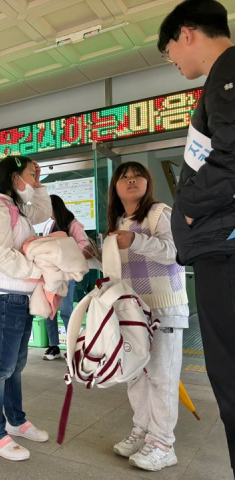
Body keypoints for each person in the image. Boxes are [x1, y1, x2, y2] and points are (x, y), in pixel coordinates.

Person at [158, 1, 235, 472]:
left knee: (229, 378)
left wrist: (186, 209)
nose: (173, 63)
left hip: (224, 251)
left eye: (169, 51)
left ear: (187, 34)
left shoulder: (226, 74)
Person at [102, 162, 188, 472]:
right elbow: (117, 267)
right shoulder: (119, 222)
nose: (130, 180)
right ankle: (142, 432)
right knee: (135, 376)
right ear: (116, 187)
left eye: (136, 175)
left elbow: (176, 251)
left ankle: (163, 444)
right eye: (123, 177)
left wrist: (135, 241)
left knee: (161, 379)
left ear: (147, 181)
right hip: (132, 313)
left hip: (163, 309)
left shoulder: (159, 213)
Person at [0, 155, 52, 461]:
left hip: (20, 296)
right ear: (15, 176)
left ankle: (15, 421)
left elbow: (43, 210)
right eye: (31, 174)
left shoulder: (16, 207)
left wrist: (39, 182)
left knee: (14, 367)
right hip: (4, 297)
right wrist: (37, 265)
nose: (35, 180)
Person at [42, 195, 89, 361]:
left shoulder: (73, 224)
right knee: (49, 311)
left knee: (66, 310)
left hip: (67, 274)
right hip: (50, 274)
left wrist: (64, 250)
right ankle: (53, 346)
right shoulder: (49, 224)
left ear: (55, 207)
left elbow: (84, 245)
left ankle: (73, 346)